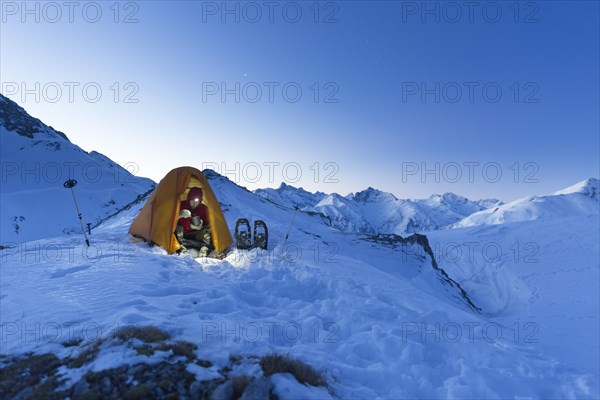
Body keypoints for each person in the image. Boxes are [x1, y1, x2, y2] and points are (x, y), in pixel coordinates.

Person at [176, 187, 212, 256]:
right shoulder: (180, 206)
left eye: (197, 201)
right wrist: (190, 226)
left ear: (200, 201)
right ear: (189, 199)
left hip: (197, 234)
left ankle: (204, 249)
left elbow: (208, 224)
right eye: (192, 200)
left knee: (210, 229)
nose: (194, 204)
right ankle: (181, 248)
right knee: (177, 227)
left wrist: (201, 225)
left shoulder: (204, 209)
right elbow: (176, 221)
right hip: (182, 234)